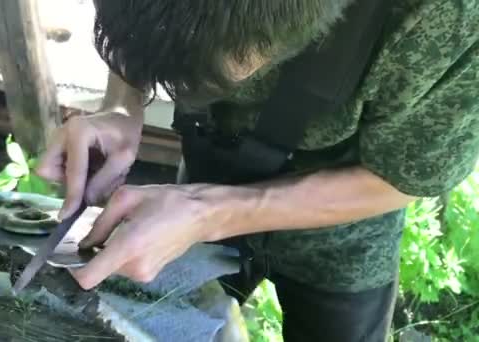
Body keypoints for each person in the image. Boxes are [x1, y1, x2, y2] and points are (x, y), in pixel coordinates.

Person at [36, 0, 479, 341]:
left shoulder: (449, 14)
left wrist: (209, 211)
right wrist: (121, 105)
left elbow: (403, 176)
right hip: (208, 168)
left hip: (344, 224)